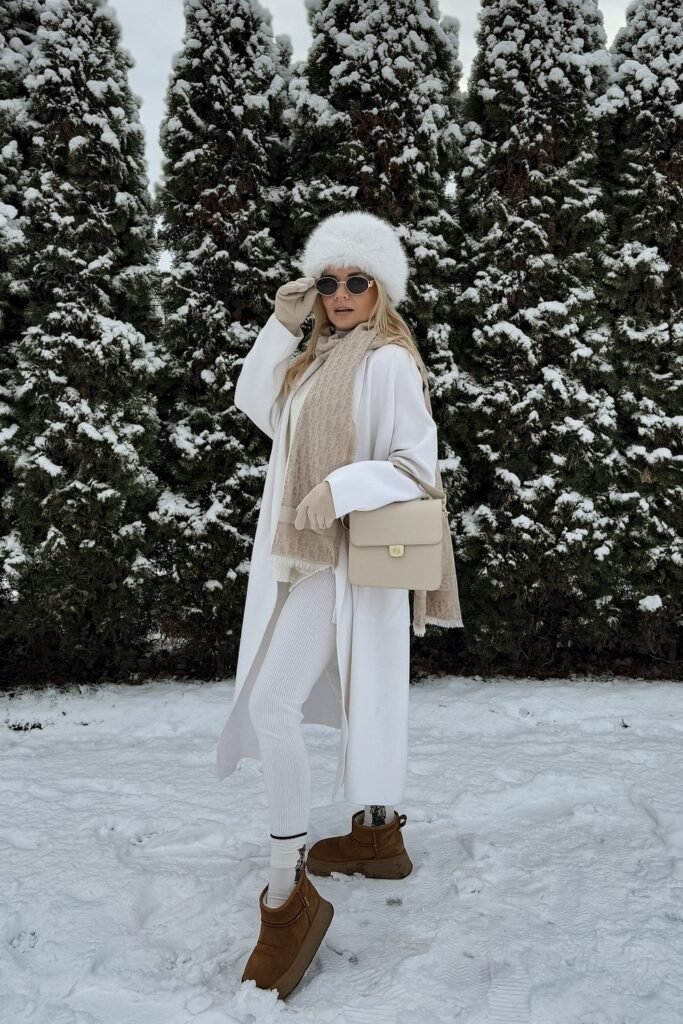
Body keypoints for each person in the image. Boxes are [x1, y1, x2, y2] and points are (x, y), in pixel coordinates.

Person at [217, 210, 463, 999]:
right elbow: (254, 402)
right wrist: (278, 326)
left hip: (345, 560)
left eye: (357, 280)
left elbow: (416, 466)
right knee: (294, 704)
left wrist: (343, 486)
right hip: (307, 558)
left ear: (380, 288)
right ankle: (373, 837)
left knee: (274, 706)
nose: (340, 292)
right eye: (328, 281)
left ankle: (286, 891)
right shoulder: (314, 362)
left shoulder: (388, 362)